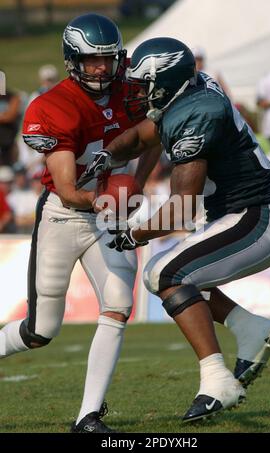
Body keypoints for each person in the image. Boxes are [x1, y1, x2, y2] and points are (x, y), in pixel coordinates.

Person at [92, 37, 270, 422]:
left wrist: (135, 234)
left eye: (142, 84)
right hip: (240, 214)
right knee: (167, 275)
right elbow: (142, 136)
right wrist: (108, 154)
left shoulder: (197, 113)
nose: (135, 92)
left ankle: (217, 379)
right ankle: (249, 328)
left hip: (255, 217)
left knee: (164, 272)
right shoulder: (188, 93)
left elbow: (182, 208)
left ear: (165, 81)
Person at [0, 13, 161, 433]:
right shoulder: (52, 105)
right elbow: (71, 190)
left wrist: (138, 183)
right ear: (73, 59)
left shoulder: (132, 91)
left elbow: (155, 134)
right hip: (64, 214)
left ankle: (88, 417)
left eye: (107, 60)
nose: (101, 69)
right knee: (41, 330)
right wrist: (112, 198)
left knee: (119, 305)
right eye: (91, 60)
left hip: (107, 220)